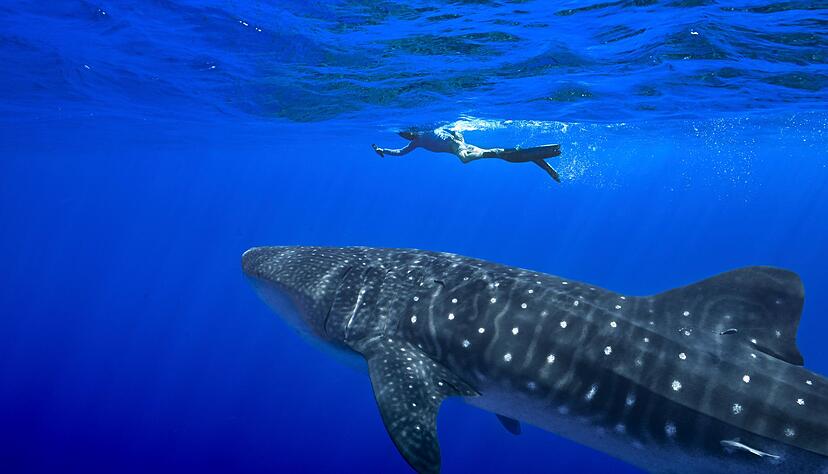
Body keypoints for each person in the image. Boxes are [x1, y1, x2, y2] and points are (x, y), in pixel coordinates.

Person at [372, 127, 562, 182]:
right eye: (404, 136)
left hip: (461, 147)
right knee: (503, 156)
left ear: (411, 129)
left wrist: (458, 134)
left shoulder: (429, 129)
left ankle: (495, 152)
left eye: (407, 133)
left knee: (464, 159)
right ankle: (543, 165)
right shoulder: (416, 143)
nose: (407, 136)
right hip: (460, 148)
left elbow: (455, 129)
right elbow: (401, 152)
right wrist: (383, 150)